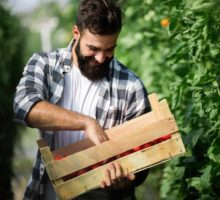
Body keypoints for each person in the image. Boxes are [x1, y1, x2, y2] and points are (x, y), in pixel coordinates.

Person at [13, 0, 151, 199]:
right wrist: (86, 123)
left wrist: (125, 180)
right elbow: (22, 106)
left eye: (110, 49)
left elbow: (143, 160)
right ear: (76, 33)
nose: (101, 58)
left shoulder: (131, 86)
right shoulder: (45, 65)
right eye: (93, 49)